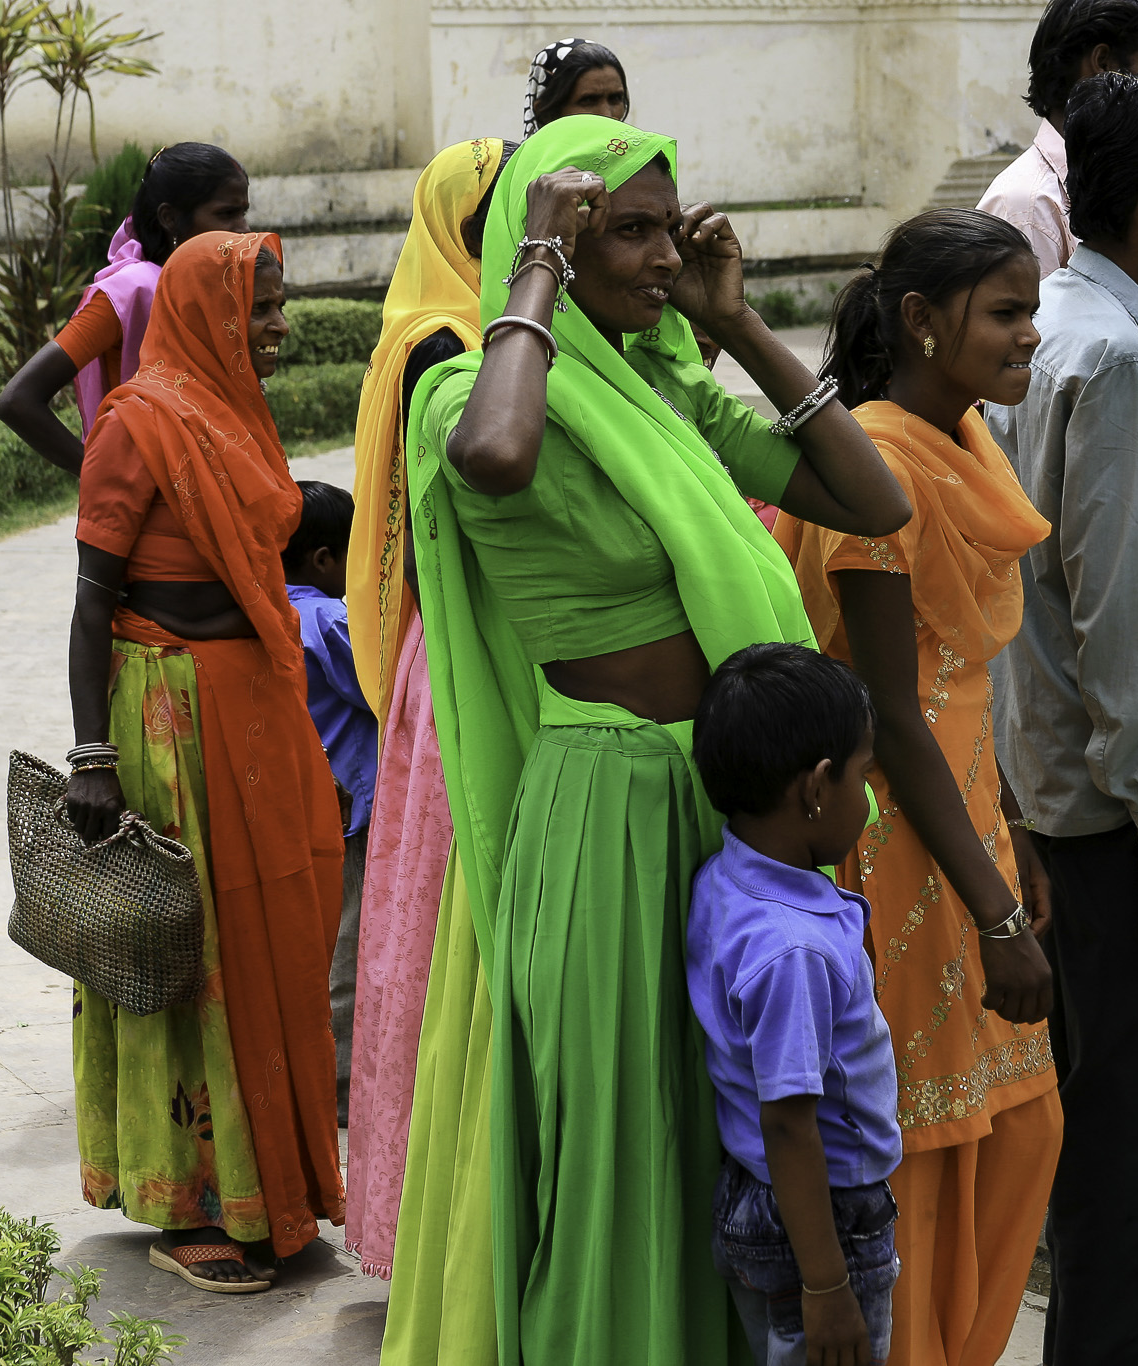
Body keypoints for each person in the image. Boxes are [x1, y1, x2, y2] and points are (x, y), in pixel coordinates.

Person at [380, 115, 909, 1366]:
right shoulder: (469, 390)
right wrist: (535, 271)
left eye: (668, 226)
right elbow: (498, 457)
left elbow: (871, 498)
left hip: (723, 804)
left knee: (729, 1127)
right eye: (629, 228)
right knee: (628, 1138)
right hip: (612, 808)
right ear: (546, 239)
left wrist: (734, 328)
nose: (663, 254)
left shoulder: (663, 387)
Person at [776, 209, 1060, 1366]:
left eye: (1029, 309)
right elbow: (890, 715)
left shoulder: (965, 437)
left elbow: (960, 690)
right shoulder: (881, 459)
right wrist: (992, 907)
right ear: (919, 321)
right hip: (896, 831)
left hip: (965, 809)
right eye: (1005, 312)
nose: (1028, 335)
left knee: (1016, 1131)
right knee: (928, 1147)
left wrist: (1013, 833)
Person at [985, 72, 1138, 1364]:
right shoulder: (1121, 354)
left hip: (1051, 800)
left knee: (1099, 1148)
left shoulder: (1042, 334)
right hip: (1116, 826)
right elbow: (1126, 620)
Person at [64, 231, 346, 1293]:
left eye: (280, 305)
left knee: (275, 943)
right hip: (170, 718)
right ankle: (193, 1205)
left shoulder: (235, 412)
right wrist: (93, 756)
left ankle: (274, 1181)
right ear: (208, 314)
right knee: (194, 961)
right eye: (262, 308)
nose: (278, 325)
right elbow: (92, 601)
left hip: (255, 708)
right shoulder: (139, 423)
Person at [341, 136, 512, 1283]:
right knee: (444, 933)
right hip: (456, 653)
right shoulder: (448, 350)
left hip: (457, 651)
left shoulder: (474, 332)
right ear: (464, 226)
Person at [977, 0, 1138, 654]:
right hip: (1089, 512)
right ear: (1103, 66)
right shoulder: (1029, 202)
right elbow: (1021, 400)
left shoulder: (1121, 199)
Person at [688, 643, 902, 1366]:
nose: (868, 796)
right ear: (816, 787)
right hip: (823, 1221)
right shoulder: (793, 952)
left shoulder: (728, 882)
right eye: (862, 773)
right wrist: (828, 1286)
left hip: (764, 1201)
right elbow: (788, 1123)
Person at [0, 143, 250, 474]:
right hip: (148, 508)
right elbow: (18, 400)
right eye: (227, 214)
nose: (244, 228)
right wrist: (102, 476)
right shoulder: (129, 293)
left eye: (244, 212)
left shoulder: (217, 287)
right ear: (170, 218)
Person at [281, 479, 380, 1131]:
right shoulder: (327, 621)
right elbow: (382, 690)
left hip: (299, 807)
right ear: (324, 559)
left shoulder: (263, 608)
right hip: (349, 808)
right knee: (349, 941)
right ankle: (340, 1084)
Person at [521, 38, 629, 138]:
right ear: (546, 114)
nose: (607, 115)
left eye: (615, 98)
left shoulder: (640, 157)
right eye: (589, 100)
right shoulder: (522, 159)